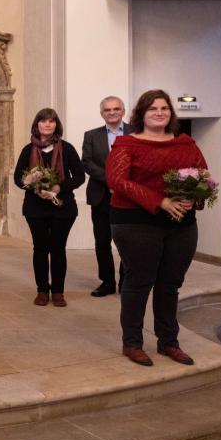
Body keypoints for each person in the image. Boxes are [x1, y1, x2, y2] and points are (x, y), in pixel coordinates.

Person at [107, 90, 207, 367]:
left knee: (170, 284)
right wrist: (160, 201)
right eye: (152, 109)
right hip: (136, 223)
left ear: (171, 113)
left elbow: (202, 175)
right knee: (139, 283)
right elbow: (117, 181)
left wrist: (194, 196)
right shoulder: (126, 144)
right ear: (141, 114)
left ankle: (168, 342)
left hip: (181, 224)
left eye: (164, 108)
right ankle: (132, 343)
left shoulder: (186, 143)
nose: (159, 113)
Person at [13, 108, 85, 307]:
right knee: (40, 248)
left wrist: (58, 188)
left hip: (62, 207)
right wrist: (32, 184)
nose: (47, 124)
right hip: (35, 207)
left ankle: (59, 292)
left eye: (51, 121)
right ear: (37, 125)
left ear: (56, 125)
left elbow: (79, 176)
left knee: (58, 249)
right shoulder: (28, 150)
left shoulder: (67, 148)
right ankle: (42, 290)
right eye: (43, 121)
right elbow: (18, 177)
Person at [82, 96, 129, 297]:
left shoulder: (136, 133)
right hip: (101, 195)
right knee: (102, 241)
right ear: (102, 113)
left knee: (127, 242)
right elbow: (87, 163)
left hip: (129, 197)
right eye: (107, 110)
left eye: (116, 109)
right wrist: (111, 181)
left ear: (123, 111)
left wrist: (122, 185)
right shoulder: (91, 135)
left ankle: (126, 282)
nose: (112, 112)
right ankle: (107, 282)